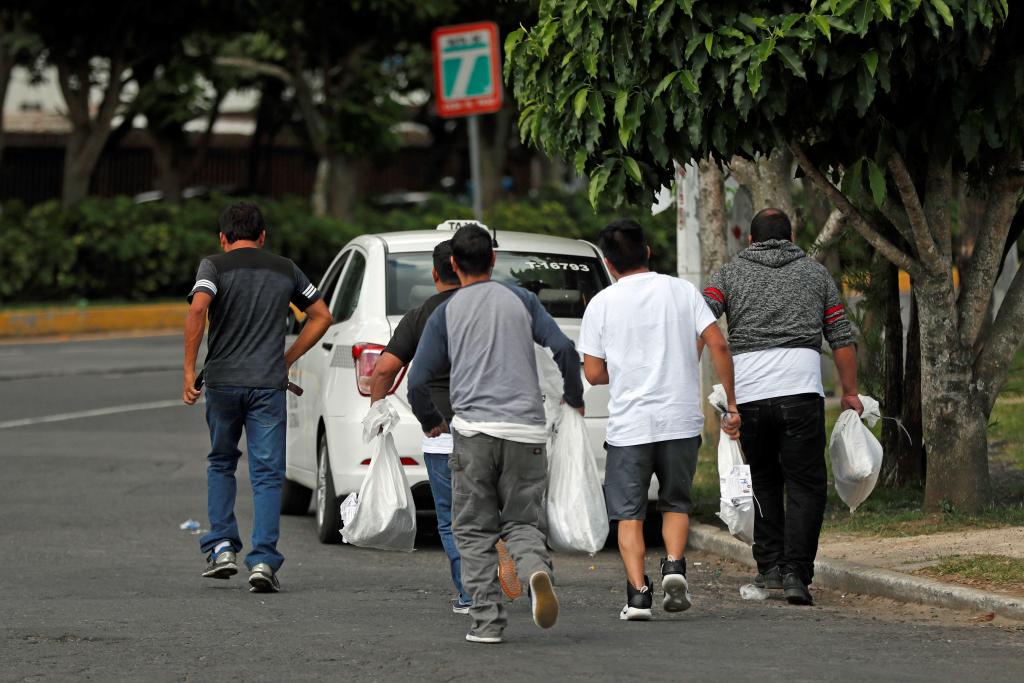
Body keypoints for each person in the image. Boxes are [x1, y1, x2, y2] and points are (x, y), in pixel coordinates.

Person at [407, 223, 584, 644]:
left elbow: (417, 379)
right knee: (522, 521)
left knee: (473, 529)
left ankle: (487, 623)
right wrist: (573, 397)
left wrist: (430, 418)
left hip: (473, 434)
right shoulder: (521, 299)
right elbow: (563, 349)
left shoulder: (445, 311)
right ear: (493, 260)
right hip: (526, 432)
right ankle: (535, 569)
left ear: (453, 264)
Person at [579, 219, 739, 621]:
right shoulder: (683, 291)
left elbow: (594, 373)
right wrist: (731, 405)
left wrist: (630, 368)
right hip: (680, 421)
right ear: (647, 252)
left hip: (630, 426)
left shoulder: (601, 303)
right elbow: (717, 341)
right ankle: (673, 564)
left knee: (629, 513)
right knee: (675, 501)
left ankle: (637, 596)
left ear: (610, 265)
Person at [702, 208, 861, 606]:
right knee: (806, 486)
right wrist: (850, 391)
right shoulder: (814, 273)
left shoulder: (729, 273)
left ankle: (769, 567)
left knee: (764, 483)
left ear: (750, 240)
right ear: (790, 237)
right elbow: (841, 335)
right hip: (802, 394)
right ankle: (796, 576)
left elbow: (702, 316)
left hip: (750, 399)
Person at [182, 201, 333, 593]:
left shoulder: (212, 266)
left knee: (221, 462)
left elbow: (198, 308)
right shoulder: (285, 269)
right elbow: (322, 315)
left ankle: (221, 548)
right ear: (263, 236)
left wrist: (188, 369)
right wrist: (288, 357)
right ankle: (263, 561)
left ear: (222, 237)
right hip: (268, 385)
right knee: (267, 474)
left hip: (223, 384)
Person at [368, 240, 473, 614]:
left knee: (451, 519)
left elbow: (383, 370)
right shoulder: (489, 306)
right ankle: (503, 552)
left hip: (442, 432)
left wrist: (378, 412)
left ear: (434, 274)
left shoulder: (420, 315)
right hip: (493, 428)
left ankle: (470, 592)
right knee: (490, 507)